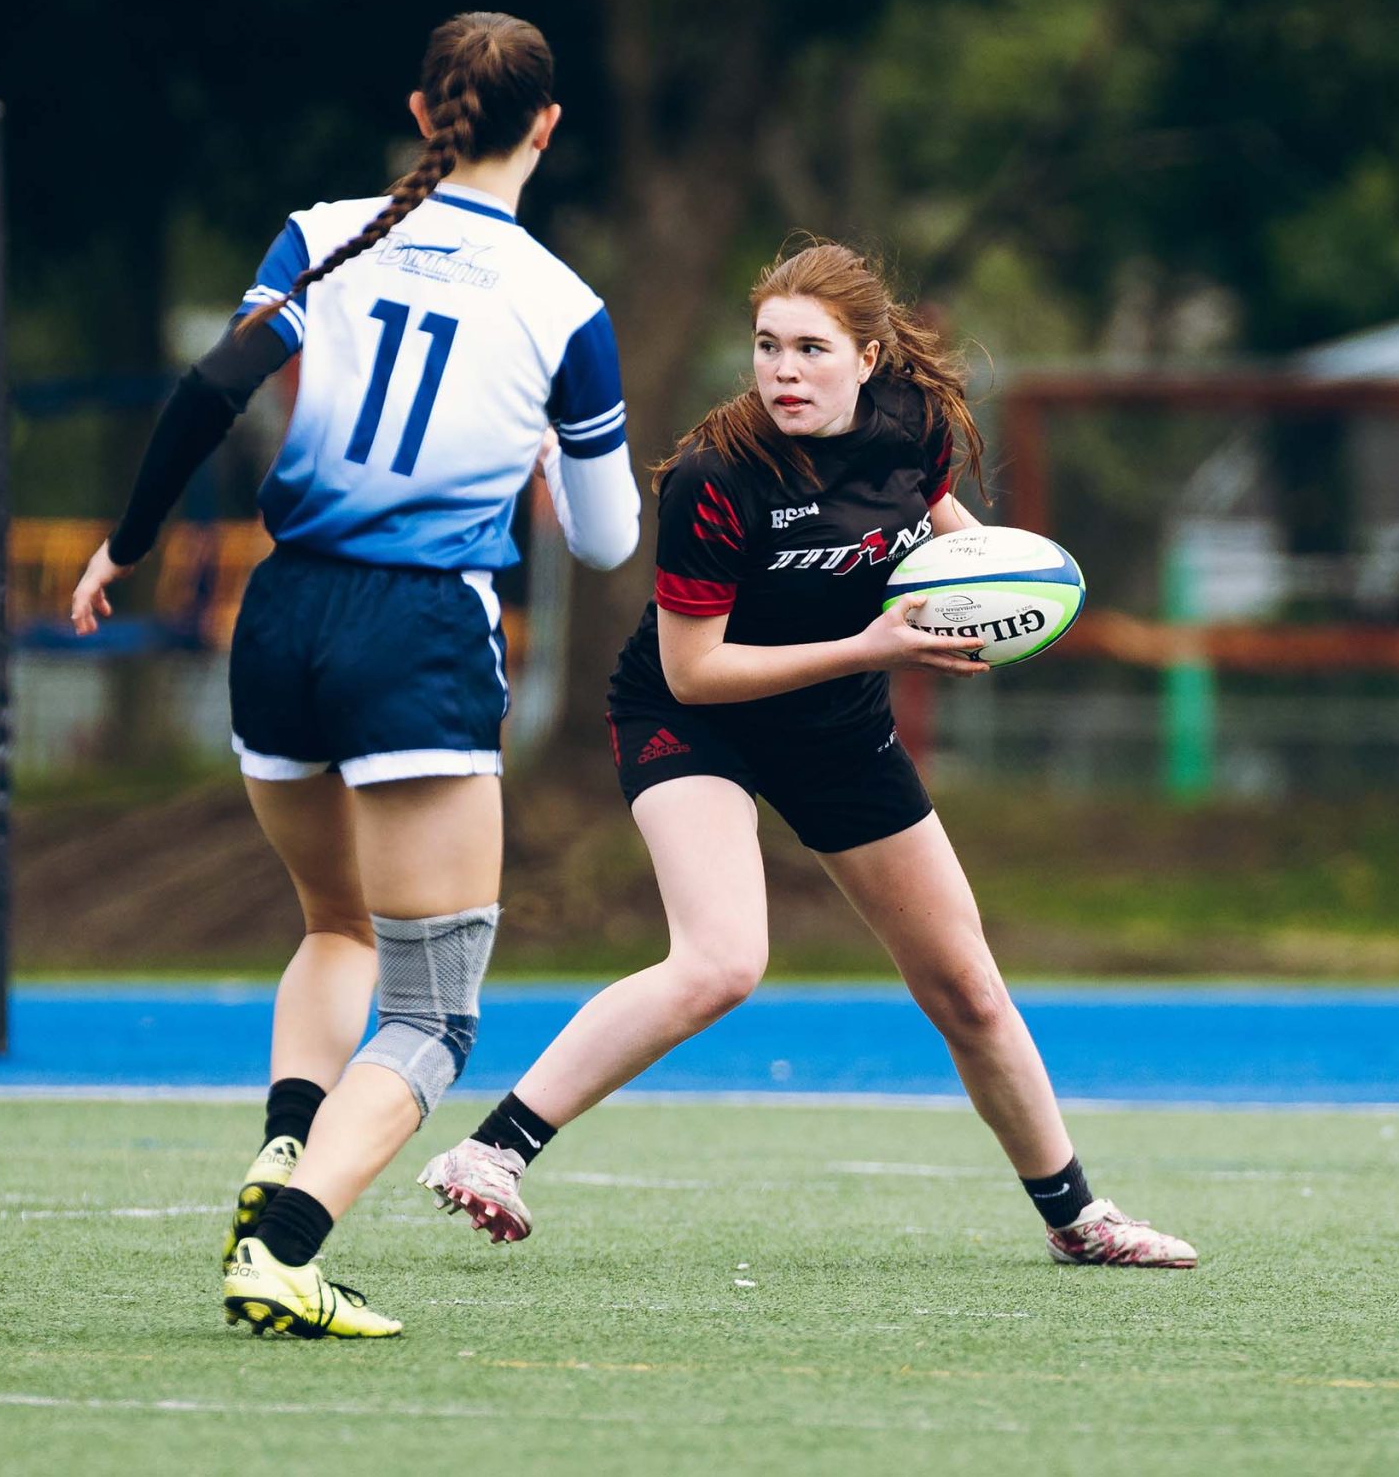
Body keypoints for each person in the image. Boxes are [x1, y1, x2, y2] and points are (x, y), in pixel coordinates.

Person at [416, 241, 1195, 1269]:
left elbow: (940, 526)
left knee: (964, 985)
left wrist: (991, 593)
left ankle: (1076, 1217)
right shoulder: (714, 477)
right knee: (723, 960)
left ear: (867, 357)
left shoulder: (913, 425)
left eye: (811, 349)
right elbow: (695, 671)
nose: (783, 369)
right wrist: (878, 642)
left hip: (833, 724)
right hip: (694, 716)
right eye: (767, 345)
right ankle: (490, 1150)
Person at [69, 11, 640, 1337]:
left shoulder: (324, 229)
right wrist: (553, 462)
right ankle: (286, 1243)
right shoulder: (564, 305)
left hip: (283, 616)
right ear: (545, 127)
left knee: (336, 922)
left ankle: (286, 1144)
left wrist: (127, 541)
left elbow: (215, 383)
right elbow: (610, 538)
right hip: (416, 634)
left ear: (422, 107)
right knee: (435, 1012)